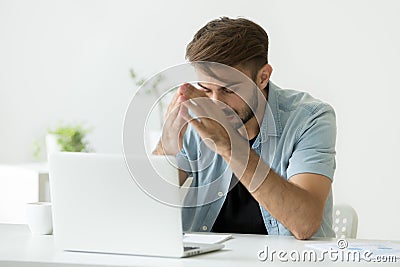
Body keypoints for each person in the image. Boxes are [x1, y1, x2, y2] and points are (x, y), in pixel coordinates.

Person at [153, 17, 336, 239]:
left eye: (229, 90)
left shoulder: (310, 119)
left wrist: (229, 146)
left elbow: (305, 224)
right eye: (206, 89)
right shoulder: (198, 113)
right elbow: (141, 212)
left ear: (263, 77)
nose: (216, 104)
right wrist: (167, 145)